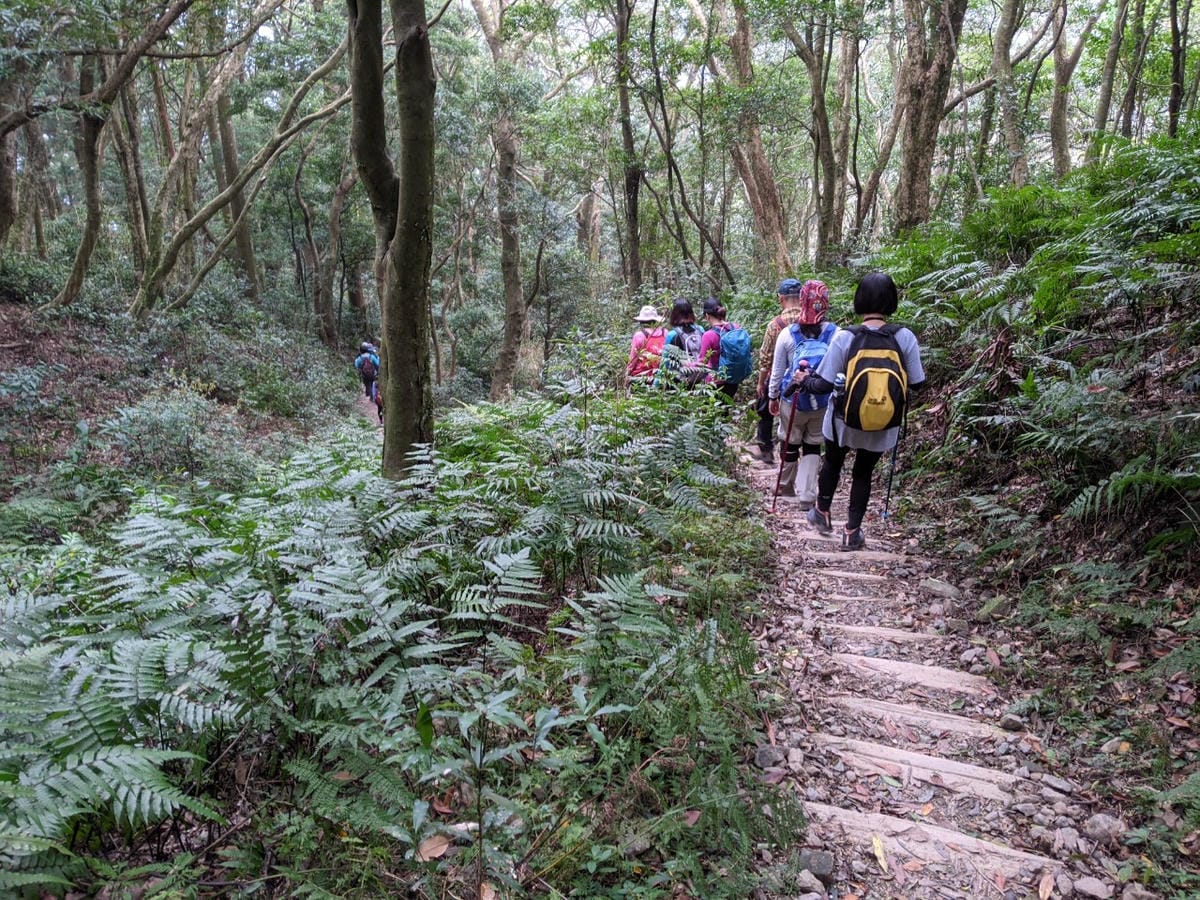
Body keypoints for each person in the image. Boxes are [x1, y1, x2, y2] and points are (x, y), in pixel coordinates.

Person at [795, 272, 925, 551]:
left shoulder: (845, 338)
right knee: (863, 473)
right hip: (884, 423)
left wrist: (803, 380)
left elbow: (824, 384)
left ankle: (822, 512)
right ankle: (852, 532)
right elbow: (918, 383)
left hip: (843, 420)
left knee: (832, 462)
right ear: (892, 300)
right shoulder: (904, 338)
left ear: (859, 300)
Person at [767, 280, 836, 506]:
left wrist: (772, 397)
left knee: (789, 441)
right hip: (822, 400)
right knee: (813, 442)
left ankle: (785, 487)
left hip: (792, 399)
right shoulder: (837, 334)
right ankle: (807, 493)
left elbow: (777, 372)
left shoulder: (788, 334)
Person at [751, 279, 807, 464]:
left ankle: (767, 449)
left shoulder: (775, 325)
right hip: (807, 379)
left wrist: (762, 383)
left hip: (780, 378)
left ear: (780, 299)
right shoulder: (811, 321)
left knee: (765, 410)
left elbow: (766, 359)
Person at [699, 298, 749, 400]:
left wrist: (686, 365)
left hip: (716, 382)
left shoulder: (709, 335)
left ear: (707, 316)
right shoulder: (736, 327)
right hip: (734, 379)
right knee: (726, 408)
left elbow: (702, 362)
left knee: (715, 412)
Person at [656, 298, 707, 389]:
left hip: (679, 383)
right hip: (699, 379)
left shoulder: (672, 335)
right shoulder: (701, 330)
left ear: (674, 315)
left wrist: (655, 386)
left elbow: (665, 365)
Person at [626, 305, 666, 387]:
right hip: (662, 375)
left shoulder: (639, 335)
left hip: (642, 376)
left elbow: (633, 359)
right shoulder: (665, 333)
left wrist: (627, 373)